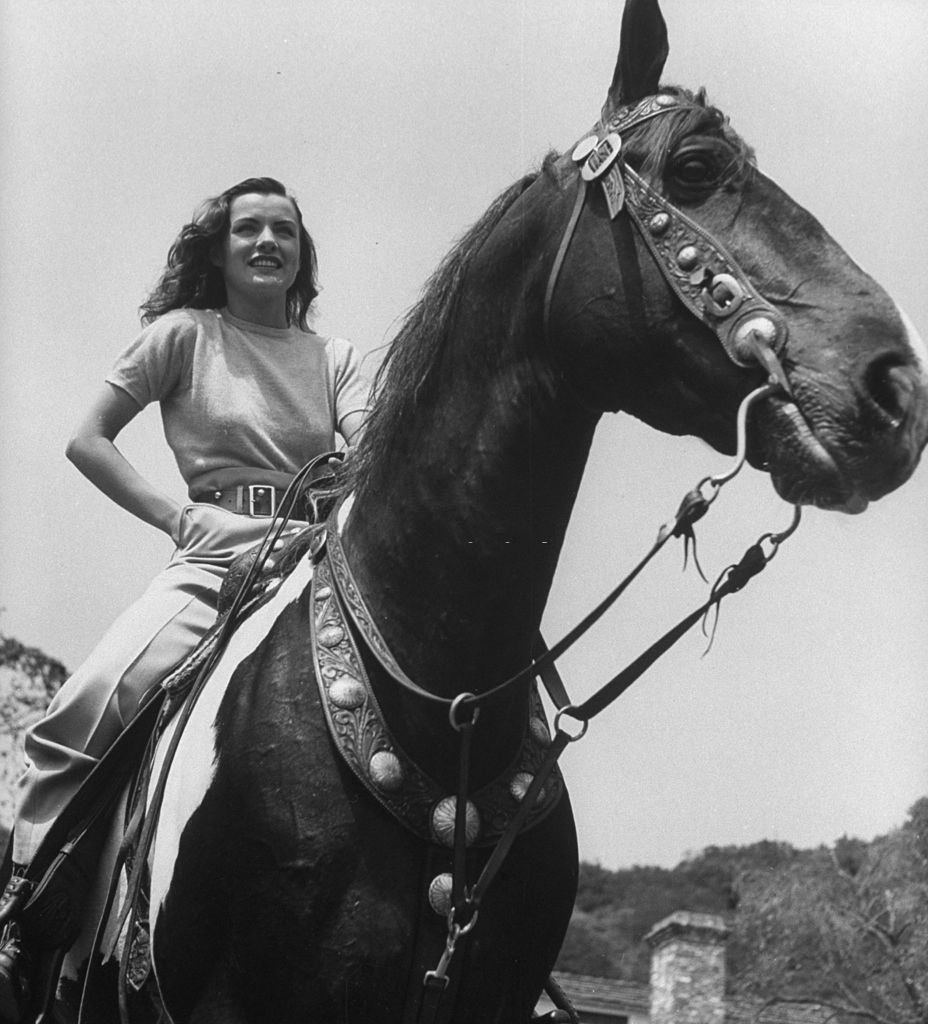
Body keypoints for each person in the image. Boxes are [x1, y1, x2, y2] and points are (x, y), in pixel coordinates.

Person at [0, 177, 369, 1021]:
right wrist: (178, 517)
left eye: (285, 229)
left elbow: (371, 443)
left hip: (320, 557)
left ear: (301, 253)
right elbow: (85, 439)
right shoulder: (184, 336)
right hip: (219, 565)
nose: (268, 241)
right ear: (219, 249)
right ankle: (22, 921)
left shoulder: (335, 357)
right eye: (248, 229)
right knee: (87, 703)